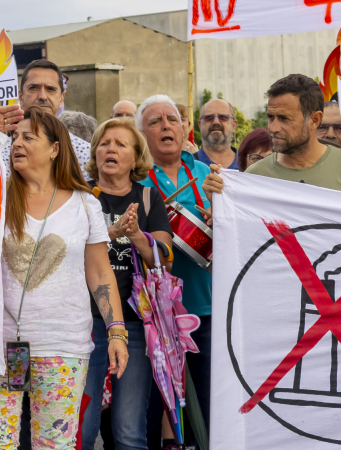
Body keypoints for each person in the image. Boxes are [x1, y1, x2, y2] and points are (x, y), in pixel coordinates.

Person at [0, 106, 125, 450]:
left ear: (55, 148)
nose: (17, 143)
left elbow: (100, 272)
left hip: (63, 346)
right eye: (14, 137)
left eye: (29, 137)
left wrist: (116, 330)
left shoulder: (85, 204)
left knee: (55, 444)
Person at [81, 118, 173, 450]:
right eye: (105, 143)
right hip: (85, 322)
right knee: (82, 430)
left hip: (135, 323)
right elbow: (67, 250)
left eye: (120, 144)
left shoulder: (148, 197)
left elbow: (164, 258)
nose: (111, 149)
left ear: (135, 158)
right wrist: (111, 232)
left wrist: (136, 235)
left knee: (129, 433)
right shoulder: (80, 193)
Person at [133, 94, 212, 448]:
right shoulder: (135, 181)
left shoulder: (208, 174)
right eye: (155, 121)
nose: (166, 125)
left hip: (205, 307)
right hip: (152, 316)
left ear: (184, 129)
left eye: (173, 119)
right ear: (142, 135)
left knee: (207, 404)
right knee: (154, 406)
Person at [206, 75, 341, 196]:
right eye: (271, 117)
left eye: (284, 119)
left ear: (315, 119)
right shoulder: (255, 175)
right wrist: (220, 205)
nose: (273, 128)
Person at [17, 60, 91, 168]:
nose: (43, 96)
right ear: (21, 97)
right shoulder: (1, 154)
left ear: (61, 99)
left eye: (50, 89)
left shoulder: (86, 155)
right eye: (34, 88)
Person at [195, 99, 238, 169]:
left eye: (223, 117)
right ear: (200, 125)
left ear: (233, 125)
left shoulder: (249, 166)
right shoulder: (185, 167)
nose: (216, 122)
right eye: (209, 118)